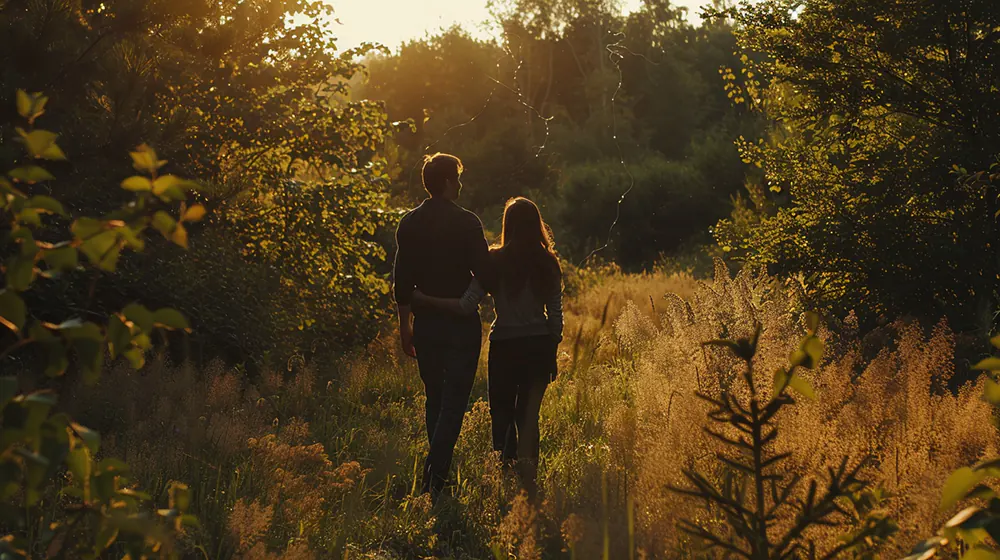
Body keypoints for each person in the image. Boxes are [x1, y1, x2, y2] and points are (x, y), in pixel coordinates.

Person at [413, 197, 562, 499]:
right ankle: (529, 486)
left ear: (507, 224)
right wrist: (551, 352)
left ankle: (504, 479)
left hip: (505, 347)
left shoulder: (494, 260)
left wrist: (427, 300)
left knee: (502, 414)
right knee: (528, 416)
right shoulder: (548, 262)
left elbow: (467, 304)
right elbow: (556, 319)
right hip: (537, 348)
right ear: (537, 224)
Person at [392, 153, 492, 498]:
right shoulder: (468, 222)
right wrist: (463, 302)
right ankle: (434, 475)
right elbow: (486, 273)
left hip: (426, 325)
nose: (461, 184)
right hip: (461, 325)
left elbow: (401, 281)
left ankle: (437, 477)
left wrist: (405, 326)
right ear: (449, 182)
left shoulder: (409, 223)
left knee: (434, 397)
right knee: (454, 400)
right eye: (458, 178)